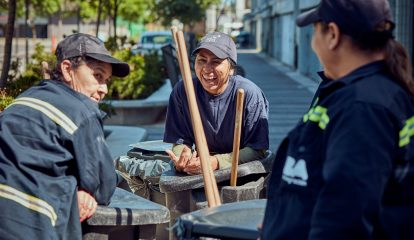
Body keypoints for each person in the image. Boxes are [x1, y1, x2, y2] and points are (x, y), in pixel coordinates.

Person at [261, 0, 414, 239]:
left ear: (333, 34)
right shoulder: (367, 92)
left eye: (314, 32)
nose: (312, 43)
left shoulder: (362, 107)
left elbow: (345, 222)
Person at [0, 33, 130, 239]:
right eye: (97, 76)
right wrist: (81, 188)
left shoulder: (22, 101)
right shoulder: (82, 111)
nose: (104, 89)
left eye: (106, 80)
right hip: (34, 225)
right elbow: (102, 185)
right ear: (68, 69)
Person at [164, 31, 269, 175]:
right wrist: (184, 157)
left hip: (241, 173)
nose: (207, 69)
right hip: (201, 172)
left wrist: (215, 162)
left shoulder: (249, 94)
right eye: (202, 60)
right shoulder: (184, 91)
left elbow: (258, 150)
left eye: (216, 62)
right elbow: (180, 140)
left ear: (231, 68)